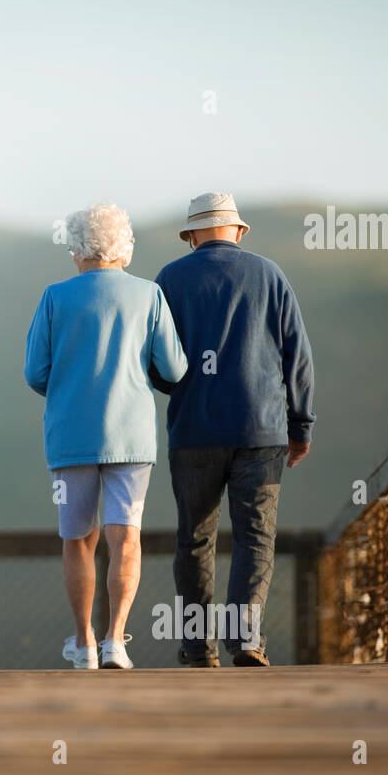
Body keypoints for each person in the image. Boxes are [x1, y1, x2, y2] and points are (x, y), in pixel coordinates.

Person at [152, 192, 316, 667]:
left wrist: (176, 388)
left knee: (195, 538)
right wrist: (300, 424)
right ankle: (245, 640)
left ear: (192, 236)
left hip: (193, 432)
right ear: (239, 232)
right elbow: (297, 356)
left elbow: (158, 361)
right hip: (261, 430)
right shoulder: (270, 275)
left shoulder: (170, 279)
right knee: (255, 536)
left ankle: (199, 647)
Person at [25, 203, 188, 669]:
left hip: (70, 436)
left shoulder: (55, 297)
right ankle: (117, 639)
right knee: (126, 537)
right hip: (132, 437)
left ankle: (84, 643)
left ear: (78, 248)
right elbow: (175, 368)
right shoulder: (149, 295)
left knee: (78, 539)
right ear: (124, 247)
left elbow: (35, 372)